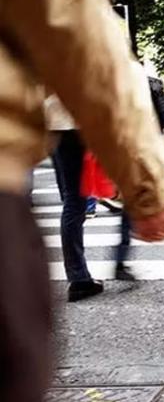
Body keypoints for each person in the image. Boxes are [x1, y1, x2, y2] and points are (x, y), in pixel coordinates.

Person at [0, 0, 164, 402]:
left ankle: (81, 272)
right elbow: (76, 35)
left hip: (57, 122)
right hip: (54, 132)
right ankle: (118, 256)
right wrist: (149, 186)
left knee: (71, 202)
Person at [43, 95, 108, 301]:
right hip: (76, 120)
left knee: (71, 199)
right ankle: (78, 278)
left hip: (52, 120)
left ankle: (77, 275)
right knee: (75, 201)